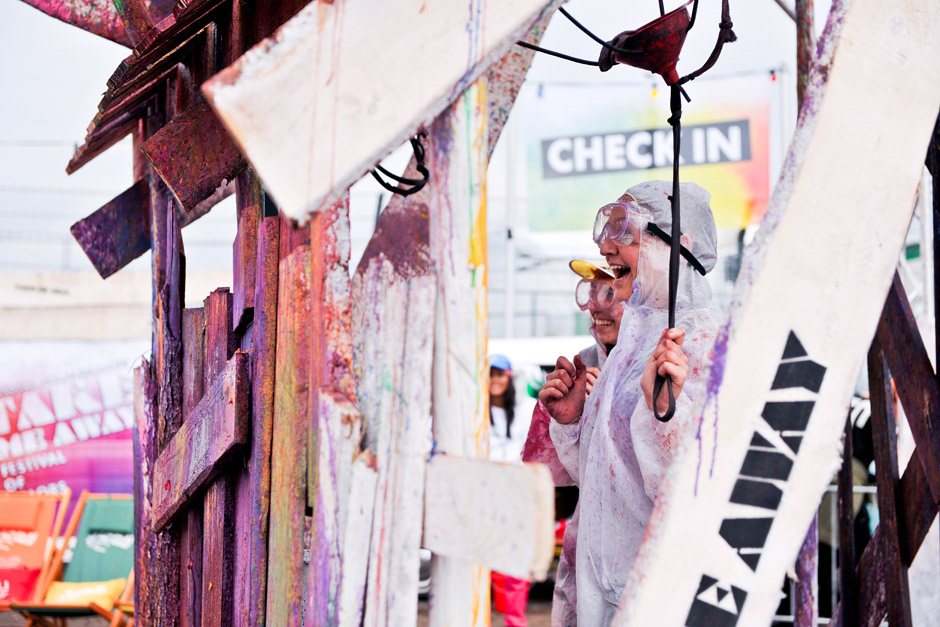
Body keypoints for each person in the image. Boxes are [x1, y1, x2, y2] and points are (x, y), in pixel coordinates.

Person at [540, 181, 722, 625]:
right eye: (607, 228)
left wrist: (665, 418)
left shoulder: (705, 347)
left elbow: (696, 490)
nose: (606, 246)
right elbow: (603, 473)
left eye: (625, 230)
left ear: (679, 245)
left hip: (658, 597)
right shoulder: (628, 348)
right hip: (601, 589)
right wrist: (571, 423)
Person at [521, 260, 626, 626]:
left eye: (611, 291)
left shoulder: (672, 366)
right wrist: (568, 423)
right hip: (589, 569)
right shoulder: (579, 370)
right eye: (591, 292)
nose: (597, 305)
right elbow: (557, 499)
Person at [488, 354, 531, 626]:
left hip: (516, 496)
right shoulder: (474, 411)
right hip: (484, 496)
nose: (495, 380)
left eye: (500, 374)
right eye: (491, 374)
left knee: (516, 563)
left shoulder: (525, 409)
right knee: (484, 563)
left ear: (509, 377)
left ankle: (515, 621)